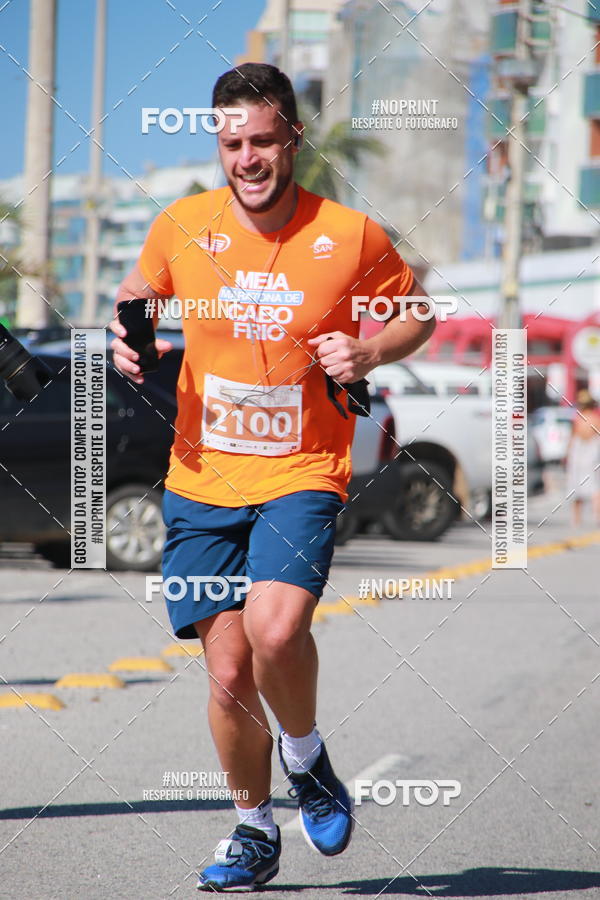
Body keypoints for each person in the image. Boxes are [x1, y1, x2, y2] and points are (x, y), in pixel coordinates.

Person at [111, 62, 435, 892]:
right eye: (232, 144)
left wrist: (368, 348)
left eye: (262, 140)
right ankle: (254, 830)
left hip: (302, 468)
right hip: (200, 478)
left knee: (277, 633)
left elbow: (417, 313)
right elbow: (137, 293)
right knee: (227, 674)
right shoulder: (184, 224)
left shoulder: (350, 235)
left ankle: (305, 756)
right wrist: (129, 338)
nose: (247, 158)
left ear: (293, 137)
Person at [565, 389, 600, 527]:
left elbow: (573, 439)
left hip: (578, 456)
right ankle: (597, 516)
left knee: (576, 487)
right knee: (595, 486)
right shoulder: (596, 419)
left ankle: (576, 519)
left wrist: (567, 454)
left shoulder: (578, 419)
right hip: (592, 456)